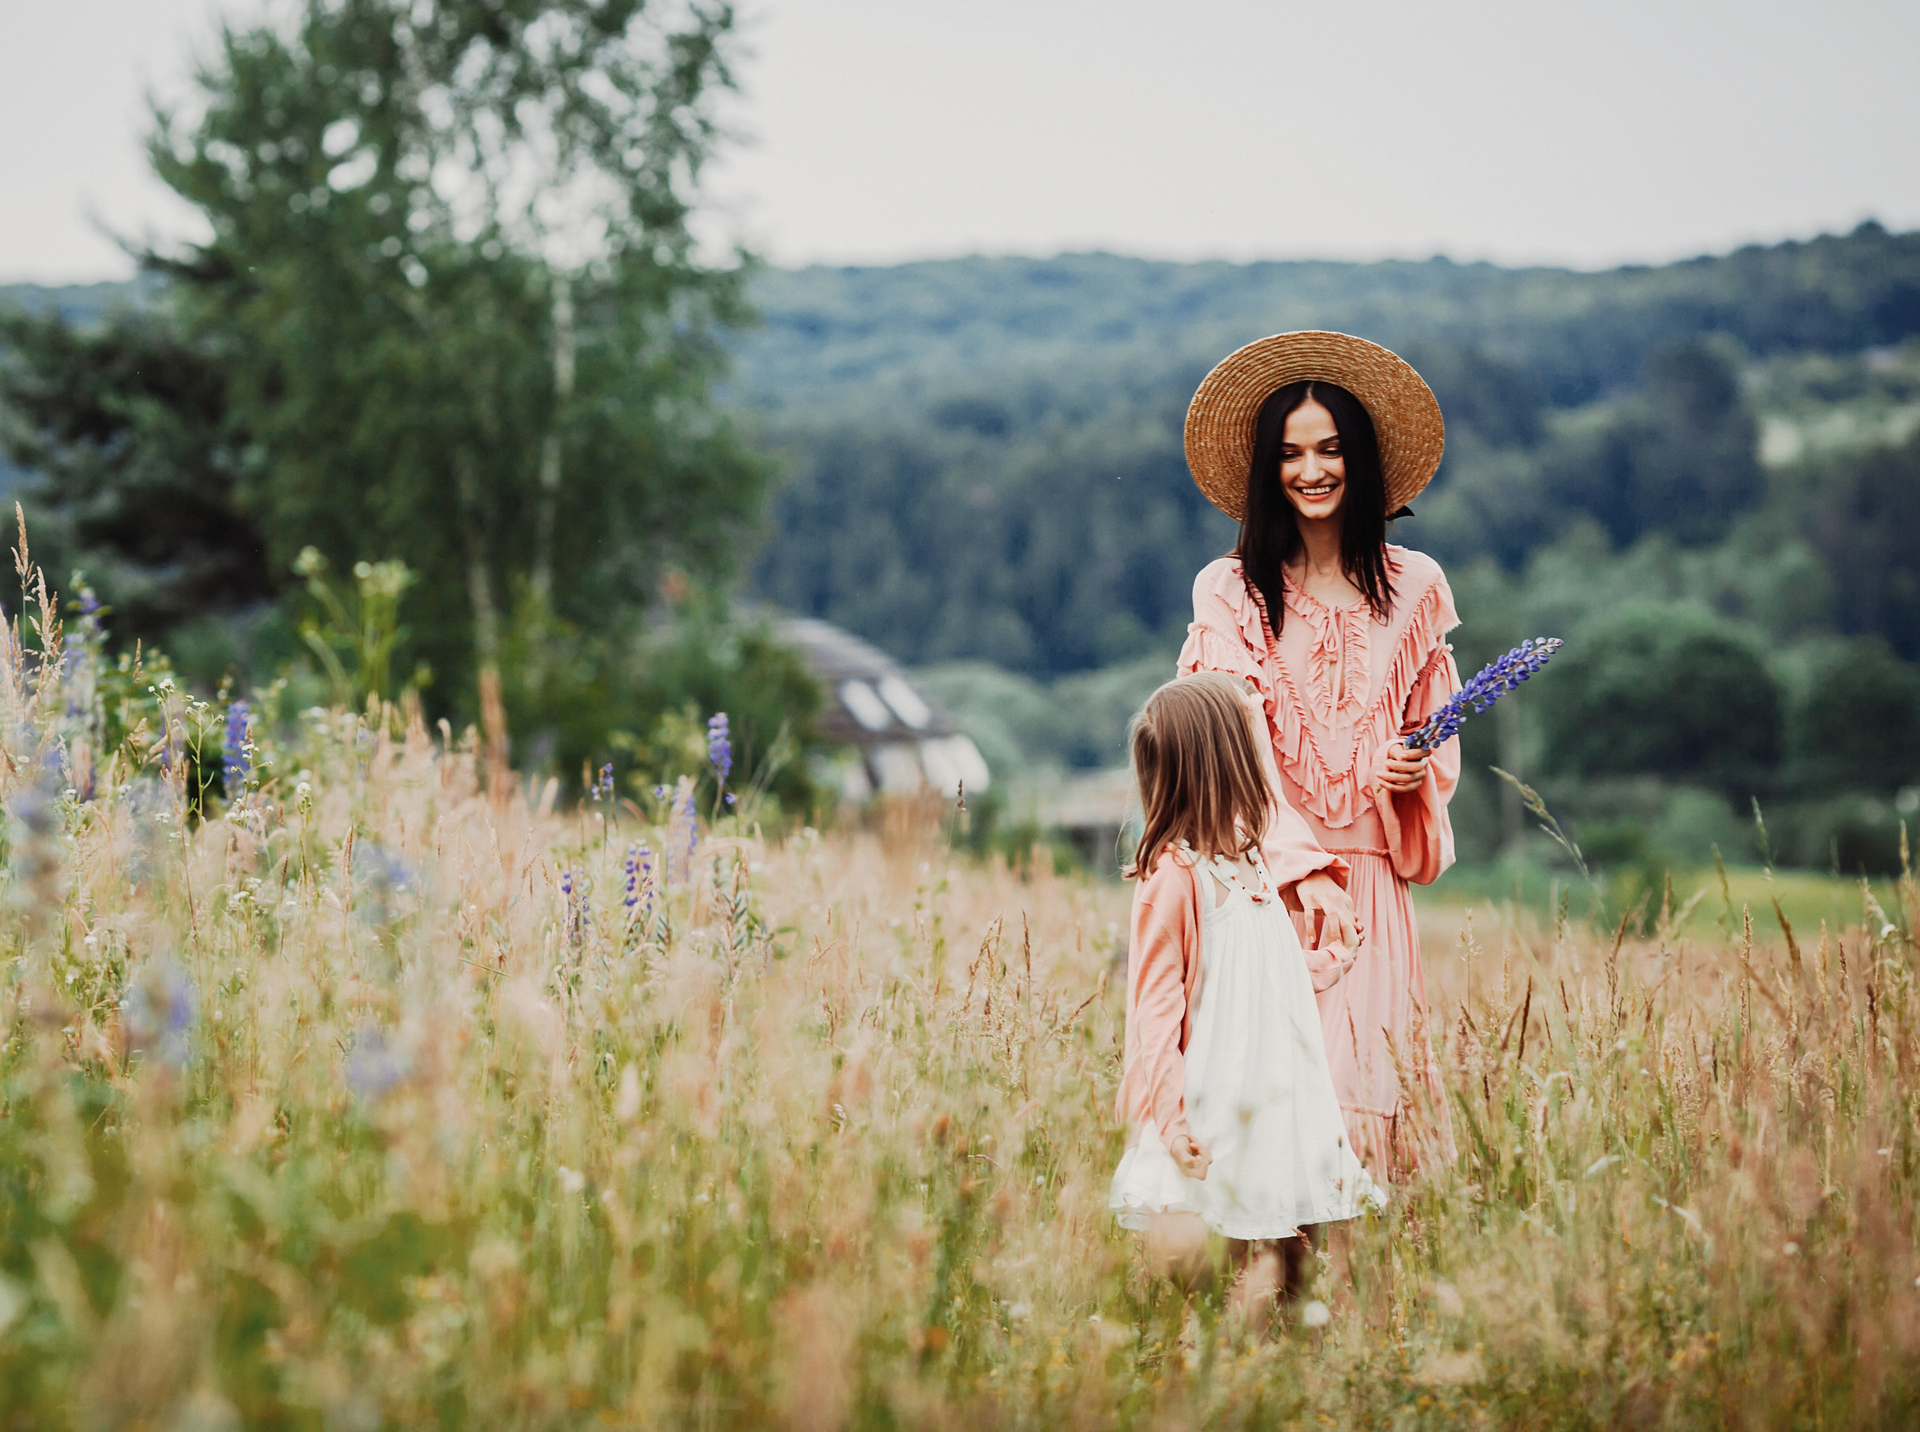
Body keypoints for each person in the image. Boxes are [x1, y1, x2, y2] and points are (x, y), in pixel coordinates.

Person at [1178, 331, 1460, 1179]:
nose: (1311, 470)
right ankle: (1268, 1303)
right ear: (1267, 471)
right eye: (1291, 454)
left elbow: (1436, 745)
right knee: (1268, 1108)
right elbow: (1228, 755)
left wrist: (1407, 781)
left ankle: (1364, 1305)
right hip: (1266, 886)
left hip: (1371, 889)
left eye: (1331, 449)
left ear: (1361, 460)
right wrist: (1297, 868)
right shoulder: (1226, 592)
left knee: (1360, 1106)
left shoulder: (1418, 586)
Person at [1109, 672, 1381, 1323]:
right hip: (1216, 1105)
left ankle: (1286, 1373)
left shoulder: (1255, 864)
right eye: (1251, 747)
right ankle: (1220, 1368)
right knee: (1222, 1257)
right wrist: (1172, 1125)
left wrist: (1328, 963)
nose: (1265, 762)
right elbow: (1156, 1014)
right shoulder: (1174, 879)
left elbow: (1267, 977)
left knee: (1298, 1255)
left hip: (1283, 1100)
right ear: (1224, 763)